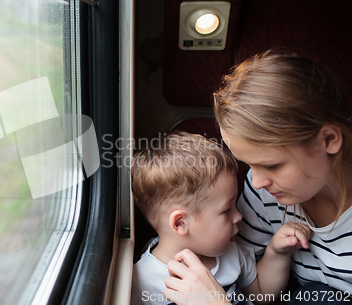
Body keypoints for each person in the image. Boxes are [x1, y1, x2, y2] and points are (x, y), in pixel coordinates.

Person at [164, 50, 352, 304]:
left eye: (272, 165)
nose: (256, 182)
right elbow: (247, 274)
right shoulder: (265, 191)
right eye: (249, 165)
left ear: (328, 140)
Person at [131, 132, 312, 305]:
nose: (239, 216)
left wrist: (277, 253)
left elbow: (261, 294)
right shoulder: (143, 281)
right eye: (226, 210)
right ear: (180, 223)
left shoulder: (229, 253)